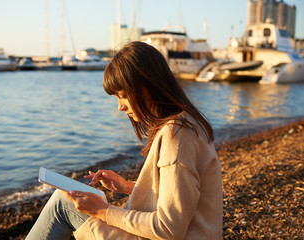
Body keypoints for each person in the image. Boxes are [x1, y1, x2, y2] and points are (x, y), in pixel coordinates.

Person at [26, 41, 223, 240]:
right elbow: (179, 194)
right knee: (68, 199)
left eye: (123, 96)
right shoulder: (188, 122)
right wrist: (127, 186)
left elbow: (169, 228)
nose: (120, 107)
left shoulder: (176, 136)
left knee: (64, 203)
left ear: (148, 86)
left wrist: (103, 211)